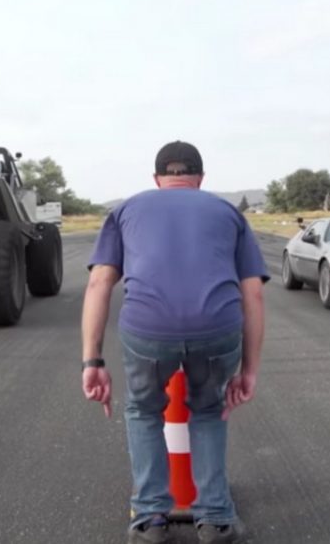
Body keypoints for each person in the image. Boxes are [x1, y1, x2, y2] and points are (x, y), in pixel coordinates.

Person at [82, 141, 268, 544]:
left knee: (144, 411)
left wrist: (91, 360)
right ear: (199, 179)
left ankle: (150, 518)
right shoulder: (227, 213)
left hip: (148, 331)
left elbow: (99, 282)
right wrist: (249, 370)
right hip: (217, 330)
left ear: (157, 178)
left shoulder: (126, 210)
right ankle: (215, 519)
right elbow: (252, 293)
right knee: (208, 411)